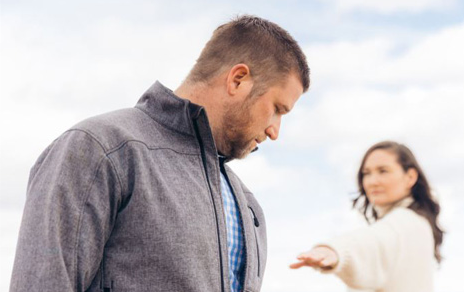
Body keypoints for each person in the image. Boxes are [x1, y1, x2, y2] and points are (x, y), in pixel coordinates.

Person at [10, 15, 310, 292]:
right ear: (238, 79)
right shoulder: (101, 149)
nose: (275, 131)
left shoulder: (248, 205)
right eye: (277, 109)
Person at [290, 141, 444, 292]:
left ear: (410, 177)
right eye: (366, 173)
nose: (372, 181)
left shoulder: (406, 221)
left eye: (383, 171)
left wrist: (336, 250)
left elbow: (372, 241)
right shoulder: (417, 222)